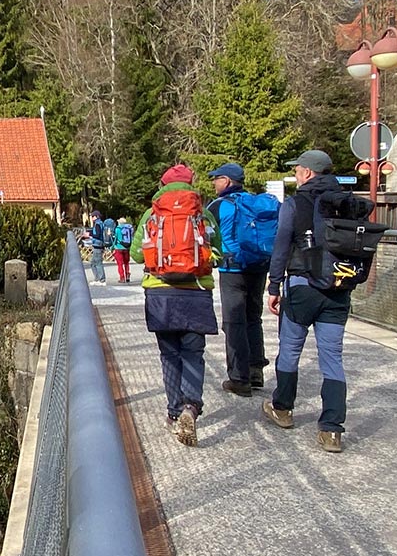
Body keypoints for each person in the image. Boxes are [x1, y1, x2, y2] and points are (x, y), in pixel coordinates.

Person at [264, 149, 351, 453]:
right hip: (338, 288)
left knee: (290, 349)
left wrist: (274, 285)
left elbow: (281, 246)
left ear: (308, 173)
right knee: (332, 358)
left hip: (302, 285)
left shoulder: (295, 203)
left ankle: (283, 409)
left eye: (298, 170)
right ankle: (332, 430)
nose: (296, 174)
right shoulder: (347, 201)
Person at [130, 164, 222, 446]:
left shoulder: (152, 214)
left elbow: (136, 254)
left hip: (160, 294)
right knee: (193, 353)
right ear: (191, 184)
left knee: (169, 354)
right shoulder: (202, 214)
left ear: (162, 184)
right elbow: (218, 252)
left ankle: (173, 412)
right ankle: (190, 407)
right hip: (196, 293)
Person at [207, 162, 272, 396]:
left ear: (226, 181)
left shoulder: (218, 205)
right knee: (254, 318)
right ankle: (256, 371)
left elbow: (207, 236)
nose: (214, 183)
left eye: (216, 179)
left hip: (232, 269)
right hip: (259, 266)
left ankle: (239, 378)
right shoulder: (254, 202)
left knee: (234, 322)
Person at [87, 210, 108, 283]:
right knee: (93, 263)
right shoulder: (100, 224)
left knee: (98, 263)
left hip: (98, 245)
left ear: (97, 217)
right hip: (98, 245)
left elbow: (97, 234)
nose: (92, 218)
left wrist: (89, 235)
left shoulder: (98, 224)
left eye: (93, 216)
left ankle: (101, 279)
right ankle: (97, 278)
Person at [111, 212, 133, 282]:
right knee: (126, 263)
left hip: (119, 247)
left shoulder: (118, 229)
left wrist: (112, 247)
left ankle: (122, 277)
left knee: (120, 264)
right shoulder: (129, 228)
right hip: (127, 247)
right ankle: (127, 274)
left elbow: (116, 239)